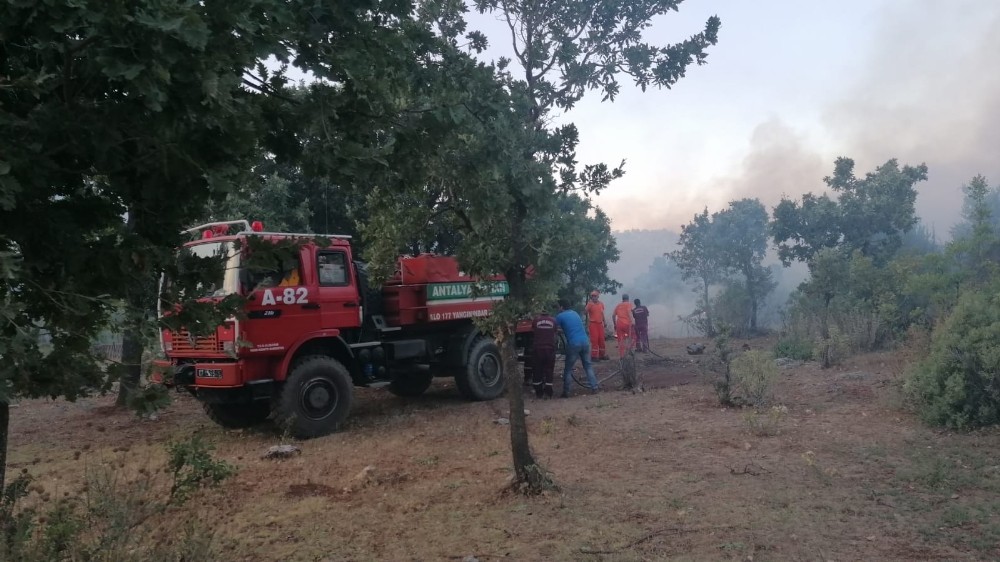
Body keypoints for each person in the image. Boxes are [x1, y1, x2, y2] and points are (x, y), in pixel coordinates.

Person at [555, 299, 599, 397]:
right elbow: (574, 326)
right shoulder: (575, 313)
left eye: (558, 306)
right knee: (588, 366)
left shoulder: (560, 316)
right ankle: (594, 387)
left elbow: (554, 328)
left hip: (574, 343)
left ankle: (566, 392)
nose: (558, 308)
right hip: (585, 342)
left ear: (562, 307)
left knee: (568, 369)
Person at [530, 309, 557, 399]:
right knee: (549, 370)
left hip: (538, 349)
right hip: (550, 349)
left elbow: (533, 330)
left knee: (537, 370)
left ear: (540, 312)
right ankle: (548, 392)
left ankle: (539, 392)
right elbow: (555, 331)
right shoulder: (553, 320)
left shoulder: (536, 320)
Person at [584, 290, 609, 361]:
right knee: (594, 340)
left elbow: (602, 313)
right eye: (592, 296)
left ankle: (602, 355)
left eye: (595, 296)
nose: (593, 297)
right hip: (593, 324)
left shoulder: (601, 304)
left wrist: (605, 322)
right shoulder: (589, 304)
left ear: (598, 296)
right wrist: (587, 308)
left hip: (600, 324)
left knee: (602, 340)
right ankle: (594, 356)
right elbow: (585, 312)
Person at [612, 294, 634, 359]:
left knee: (620, 340)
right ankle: (629, 350)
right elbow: (629, 312)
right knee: (632, 337)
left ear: (622, 299)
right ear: (628, 298)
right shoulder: (629, 304)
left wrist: (615, 324)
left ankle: (621, 355)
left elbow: (613, 316)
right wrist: (632, 321)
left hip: (619, 324)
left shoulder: (618, 305)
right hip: (627, 324)